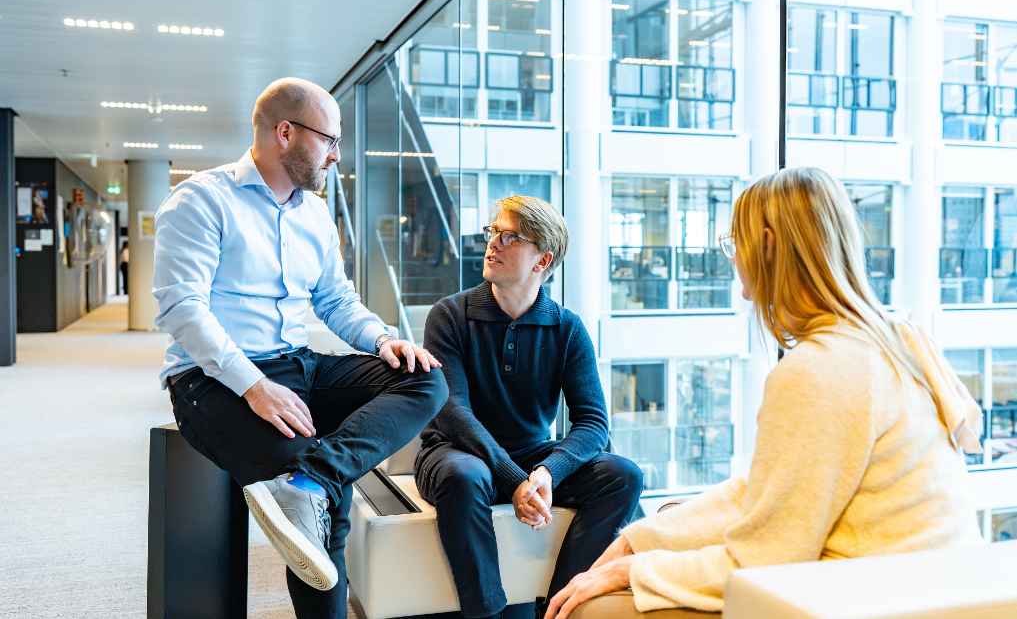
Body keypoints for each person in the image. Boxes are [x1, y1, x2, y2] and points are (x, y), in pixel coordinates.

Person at [545, 167, 985, 619]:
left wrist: (635, 570)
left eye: (737, 243)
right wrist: (642, 539)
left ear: (769, 245)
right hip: (930, 586)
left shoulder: (819, 369)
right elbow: (775, 486)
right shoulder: (895, 339)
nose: (734, 257)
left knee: (592, 609)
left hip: (870, 598)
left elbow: (764, 560)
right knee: (668, 520)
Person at [153, 77, 449, 619]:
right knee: (324, 510)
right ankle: (312, 482)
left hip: (298, 366)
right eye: (329, 140)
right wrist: (254, 386)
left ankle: (314, 477)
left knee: (425, 378)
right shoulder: (201, 199)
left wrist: (382, 339)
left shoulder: (314, 214)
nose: (337, 156)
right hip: (211, 379)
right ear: (284, 132)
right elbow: (182, 309)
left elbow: (336, 300)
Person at [415, 195, 643, 619]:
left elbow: (593, 423)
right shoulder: (449, 315)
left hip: (530, 455)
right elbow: (452, 410)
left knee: (624, 475)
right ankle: (484, 612)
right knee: (465, 475)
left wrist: (543, 473)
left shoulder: (567, 328)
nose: (492, 243)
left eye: (509, 236)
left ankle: (557, 607)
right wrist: (514, 478)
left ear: (542, 260)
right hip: (455, 453)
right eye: (492, 232)